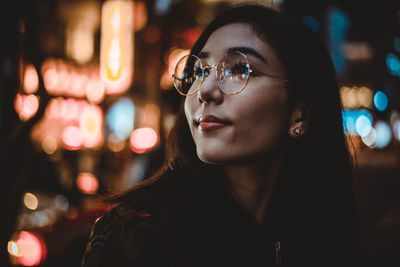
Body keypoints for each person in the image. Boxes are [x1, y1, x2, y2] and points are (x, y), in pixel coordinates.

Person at [82, 4, 360, 267]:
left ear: (300, 114)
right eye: (199, 71)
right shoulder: (136, 235)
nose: (205, 90)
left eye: (239, 70)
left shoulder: (321, 231)